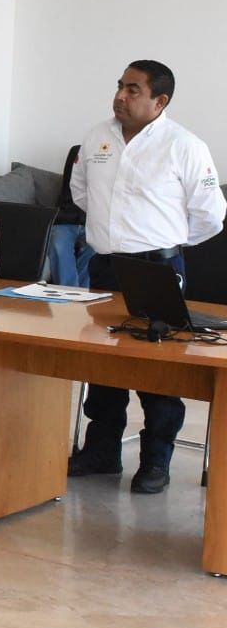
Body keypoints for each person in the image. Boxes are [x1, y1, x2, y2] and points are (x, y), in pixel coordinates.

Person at [67, 60, 225, 493]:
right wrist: (113, 232)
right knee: (103, 361)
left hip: (157, 269)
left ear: (160, 100)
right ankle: (102, 451)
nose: (120, 95)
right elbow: (81, 192)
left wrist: (164, 241)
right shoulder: (98, 136)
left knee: (159, 369)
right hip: (105, 265)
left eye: (133, 89)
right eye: (120, 85)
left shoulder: (184, 145)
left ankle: (156, 460)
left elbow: (210, 216)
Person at [48, 144, 94, 287]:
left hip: (94, 222)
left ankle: (82, 294)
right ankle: (69, 294)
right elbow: (73, 184)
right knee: (58, 243)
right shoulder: (78, 151)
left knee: (97, 248)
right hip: (65, 219)